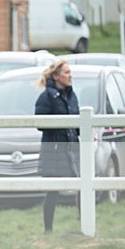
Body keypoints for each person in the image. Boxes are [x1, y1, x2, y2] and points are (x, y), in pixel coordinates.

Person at [35, 59, 79, 234]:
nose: (70, 76)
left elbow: (77, 120)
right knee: (52, 192)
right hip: (53, 151)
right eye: (67, 72)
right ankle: (48, 230)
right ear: (56, 76)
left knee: (83, 186)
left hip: (72, 149)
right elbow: (40, 123)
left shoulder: (71, 95)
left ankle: (84, 227)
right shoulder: (46, 97)